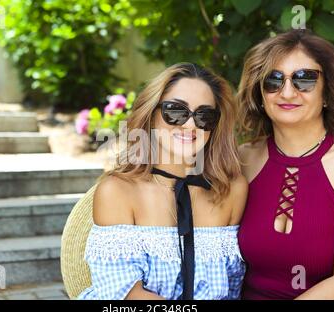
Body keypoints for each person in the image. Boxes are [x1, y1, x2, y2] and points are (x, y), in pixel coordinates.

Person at [77, 62, 248, 300]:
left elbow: (232, 290)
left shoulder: (232, 190)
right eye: (175, 111)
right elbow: (128, 295)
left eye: (204, 115)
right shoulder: (118, 191)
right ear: (152, 114)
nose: (190, 125)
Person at [236, 29, 334, 300]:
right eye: (273, 80)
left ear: (327, 91)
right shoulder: (242, 160)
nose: (287, 92)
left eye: (304, 79)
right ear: (260, 95)